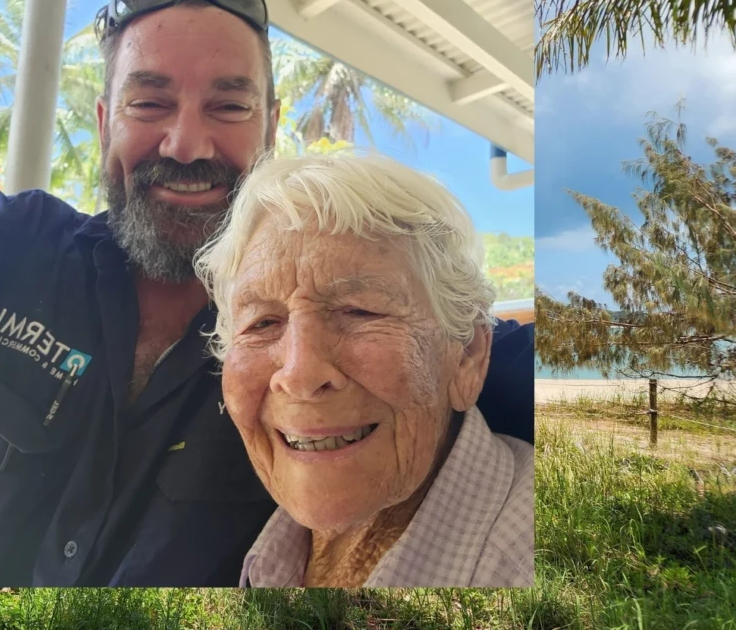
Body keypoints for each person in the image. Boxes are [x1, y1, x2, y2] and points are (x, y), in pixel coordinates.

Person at [0, 0, 535, 587]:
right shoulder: (10, 242)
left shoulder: (423, 354)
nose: (186, 144)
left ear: (270, 129)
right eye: (149, 102)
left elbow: (482, 349)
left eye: (228, 105)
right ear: (107, 122)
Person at [194, 153, 534, 586]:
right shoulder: (266, 543)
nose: (298, 375)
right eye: (262, 322)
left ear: (467, 355)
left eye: (359, 311)